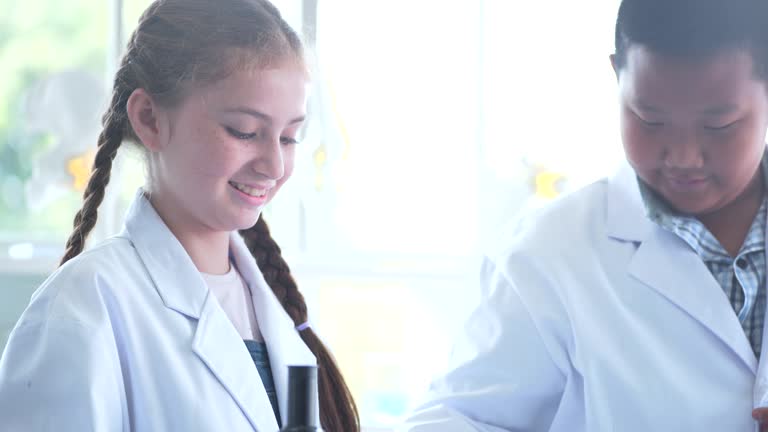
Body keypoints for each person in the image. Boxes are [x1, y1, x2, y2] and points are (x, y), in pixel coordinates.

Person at [402, 0, 768, 430]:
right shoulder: (548, 255)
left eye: (718, 126)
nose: (684, 157)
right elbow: (448, 421)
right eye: (649, 120)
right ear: (617, 75)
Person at [0, 1, 359, 431]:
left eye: (288, 137)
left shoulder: (273, 311)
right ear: (150, 119)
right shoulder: (83, 305)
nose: (275, 166)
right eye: (244, 131)